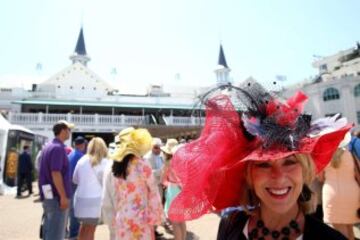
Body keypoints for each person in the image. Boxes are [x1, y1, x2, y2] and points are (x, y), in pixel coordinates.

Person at [167, 81, 350, 240]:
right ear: (249, 176)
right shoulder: (230, 226)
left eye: (290, 162)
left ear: (305, 171)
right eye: (263, 164)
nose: (278, 176)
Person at [101, 127, 164, 240]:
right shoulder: (142, 164)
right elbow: (153, 192)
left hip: (122, 217)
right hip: (141, 218)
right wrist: (156, 217)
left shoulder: (116, 165)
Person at [320, 132, 360, 240]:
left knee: (339, 233)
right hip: (352, 193)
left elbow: (320, 178)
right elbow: (357, 173)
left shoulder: (324, 155)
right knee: (350, 230)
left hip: (332, 192)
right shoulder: (349, 154)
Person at [38, 120, 74, 240]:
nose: (70, 132)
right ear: (63, 130)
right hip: (56, 197)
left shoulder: (48, 146)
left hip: (49, 195)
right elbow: (56, 173)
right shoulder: (58, 148)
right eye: (69, 129)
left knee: (49, 231)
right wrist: (63, 196)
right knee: (56, 234)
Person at [73, 137, 108, 240]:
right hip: (95, 202)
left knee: (83, 227)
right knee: (91, 229)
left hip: (80, 200)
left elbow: (74, 179)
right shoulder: (105, 162)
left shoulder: (82, 160)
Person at [161, 139, 187, 240]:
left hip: (173, 191)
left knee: (175, 222)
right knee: (181, 220)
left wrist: (168, 184)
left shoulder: (168, 163)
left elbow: (162, 180)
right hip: (182, 192)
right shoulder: (184, 162)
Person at [144, 137, 165, 237]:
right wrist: (160, 171)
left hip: (159, 185)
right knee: (152, 208)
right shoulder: (148, 157)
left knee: (158, 208)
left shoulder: (160, 155)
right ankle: (152, 230)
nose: (158, 149)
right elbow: (148, 173)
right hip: (152, 187)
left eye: (159, 147)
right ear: (152, 147)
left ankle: (155, 229)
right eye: (156, 147)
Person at [67, 136, 86, 240]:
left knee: (71, 210)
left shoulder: (70, 154)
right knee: (75, 210)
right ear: (82, 145)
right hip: (76, 183)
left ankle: (71, 231)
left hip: (68, 184)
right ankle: (74, 234)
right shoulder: (81, 156)